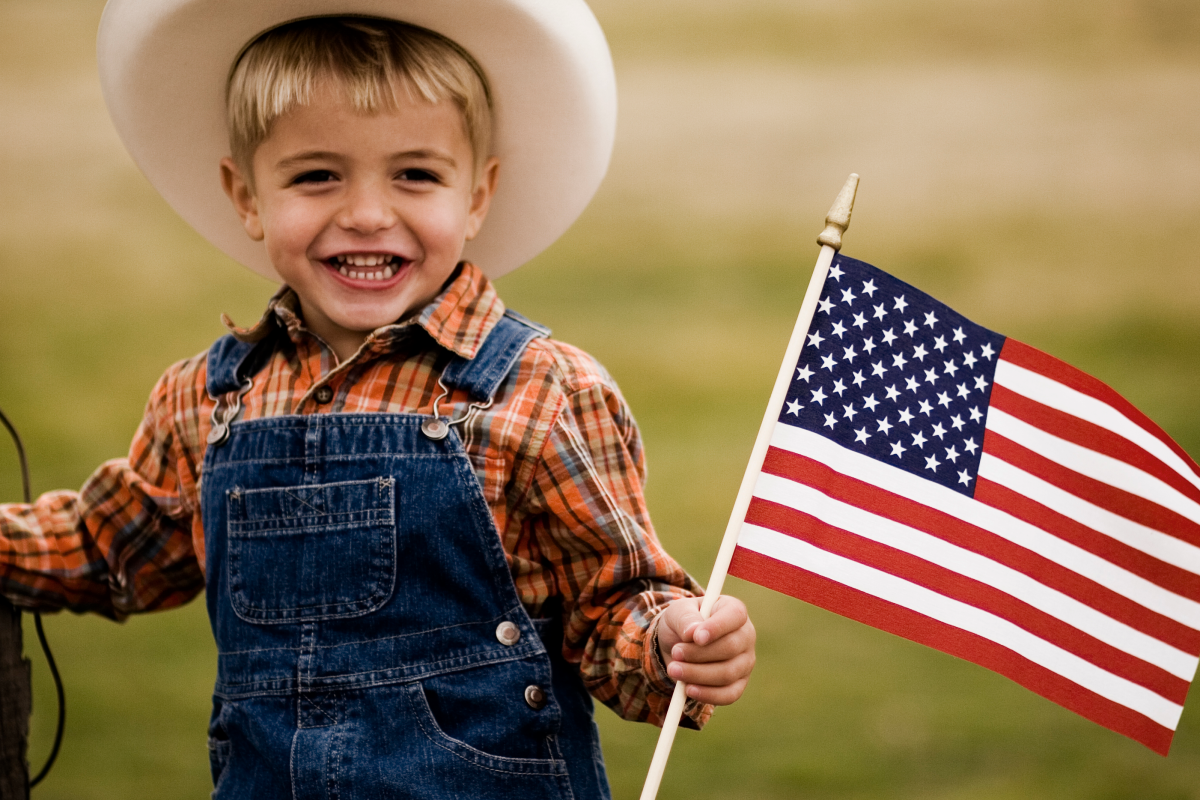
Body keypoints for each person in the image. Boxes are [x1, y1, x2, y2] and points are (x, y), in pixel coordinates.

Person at [0, 2, 755, 796]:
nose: (365, 214)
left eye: (416, 175)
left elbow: (614, 605)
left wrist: (673, 639)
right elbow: (112, 547)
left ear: (477, 194)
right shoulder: (211, 399)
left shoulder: (542, 391)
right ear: (247, 194)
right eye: (316, 175)